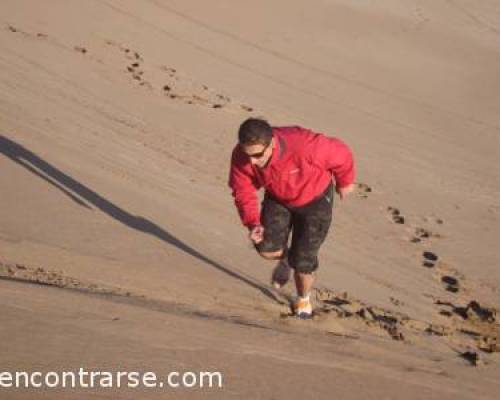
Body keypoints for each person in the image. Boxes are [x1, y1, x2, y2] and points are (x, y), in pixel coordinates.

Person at [228, 118, 355, 318]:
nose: (252, 161)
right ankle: (287, 259)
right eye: (247, 154)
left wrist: (345, 181)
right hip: (278, 198)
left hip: (316, 199)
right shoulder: (242, 156)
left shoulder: (305, 145)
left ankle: (303, 299)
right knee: (266, 248)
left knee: (303, 262)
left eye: (258, 155)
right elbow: (242, 191)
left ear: (271, 144)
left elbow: (342, 154)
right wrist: (252, 222)